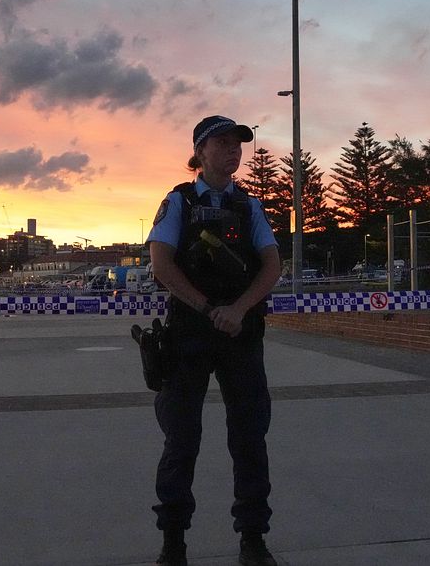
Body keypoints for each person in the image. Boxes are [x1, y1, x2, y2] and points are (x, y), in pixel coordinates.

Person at [145, 115, 283, 566]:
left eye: (237, 144)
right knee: (181, 441)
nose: (233, 151)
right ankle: (173, 543)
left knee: (249, 440)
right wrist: (207, 309)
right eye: (222, 143)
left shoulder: (250, 206)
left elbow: (271, 266)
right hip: (188, 336)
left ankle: (253, 540)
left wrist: (238, 310)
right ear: (200, 152)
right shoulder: (178, 202)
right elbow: (162, 266)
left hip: (240, 334)